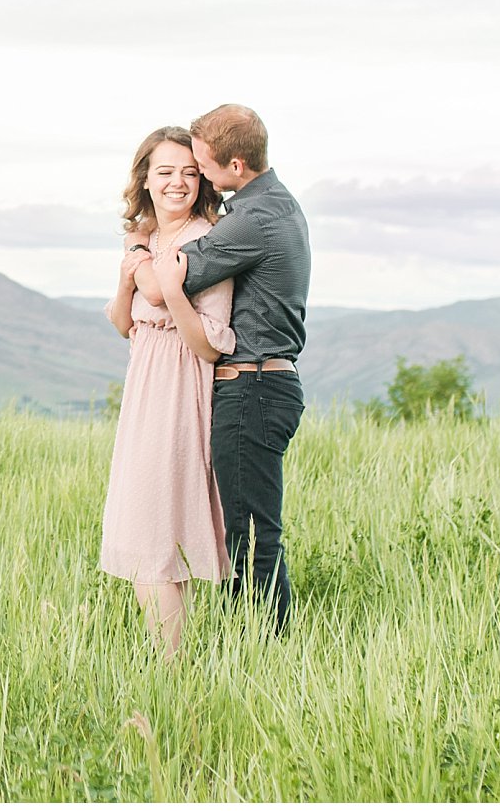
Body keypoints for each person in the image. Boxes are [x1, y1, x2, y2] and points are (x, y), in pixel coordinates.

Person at [157, 103, 310, 634]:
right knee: (250, 531)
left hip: (253, 390)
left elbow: (167, 279)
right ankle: (256, 644)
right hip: (268, 386)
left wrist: (138, 245)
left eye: (201, 164)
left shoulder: (251, 219)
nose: (197, 176)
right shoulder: (276, 202)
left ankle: (263, 652)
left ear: (237, 165)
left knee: (248, 536)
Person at [98, 125, 237, 656]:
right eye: (165, 171)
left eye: (188, 171)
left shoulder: (207, 238)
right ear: (146, 178)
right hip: (144, 386)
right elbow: (122, 322)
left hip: (181, 387)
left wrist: (170, 289)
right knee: (140, 528)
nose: (177, 181)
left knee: (155, 529)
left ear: (202, 179)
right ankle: (170, 659)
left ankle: (171, 665)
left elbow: (208, 345)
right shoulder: (147, 237)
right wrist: (128, 276)